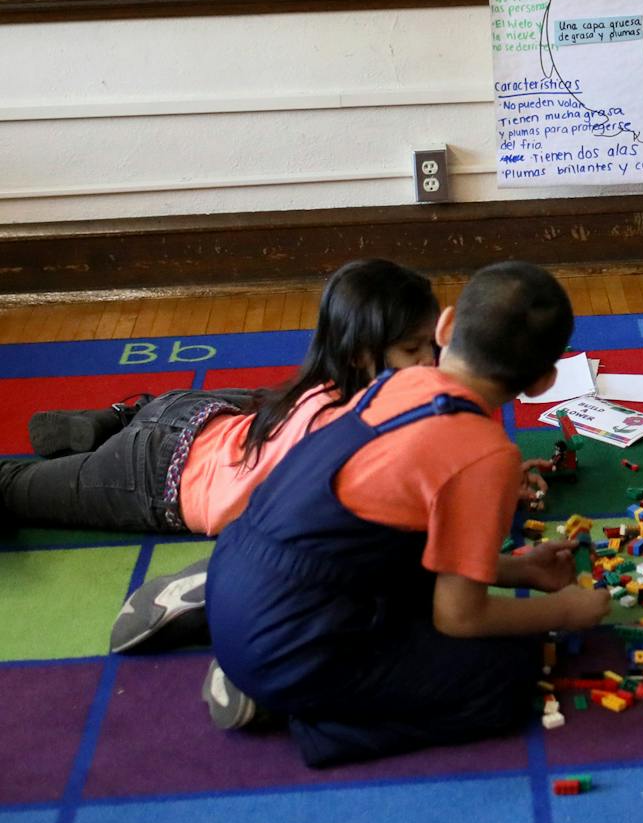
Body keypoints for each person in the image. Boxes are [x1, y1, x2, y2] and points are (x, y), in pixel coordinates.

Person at [200, 261, 612, 768]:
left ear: (444, 327)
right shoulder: (487, 456)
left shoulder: (394, 386)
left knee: (420, 603)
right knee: (508, 674)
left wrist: (517, 568)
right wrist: (568, 611)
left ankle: (270, 673)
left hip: (232, 577)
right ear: (545, 381)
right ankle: (309, 716)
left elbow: (395, 536)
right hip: (288, 639)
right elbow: (460, 616)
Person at [0, 260, 443, 651]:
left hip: (196, 412)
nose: (430, 361)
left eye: (433, 347)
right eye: (413, 350)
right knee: (12, 487)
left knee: (262, 402)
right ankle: (116, 425)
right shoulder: (343, 437)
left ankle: (117, 416)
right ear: (361, 356)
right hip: (154, 478)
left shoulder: (326, 385)